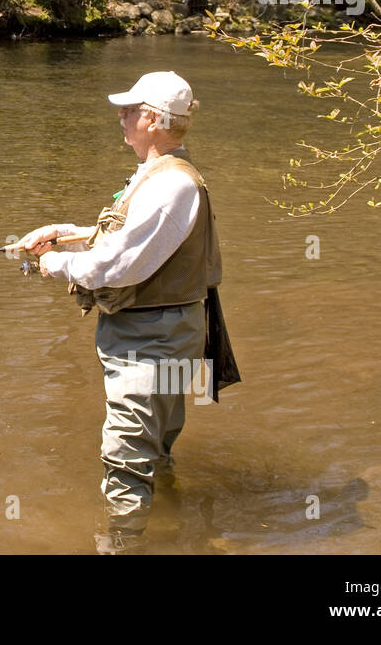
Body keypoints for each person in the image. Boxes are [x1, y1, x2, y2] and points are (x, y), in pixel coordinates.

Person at [15, 70, 224, 552]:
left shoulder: (172, 185)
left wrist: (57, 263)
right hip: (171, 329)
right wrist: (65, 231)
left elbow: (123, 263)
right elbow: (129, 237)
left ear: (152, 119)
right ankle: (169, 527)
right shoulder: (160, 174)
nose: (121, 118)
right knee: (157, 441)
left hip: (151, 339)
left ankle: (119, 545)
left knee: (126, 455)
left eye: (129, 110)